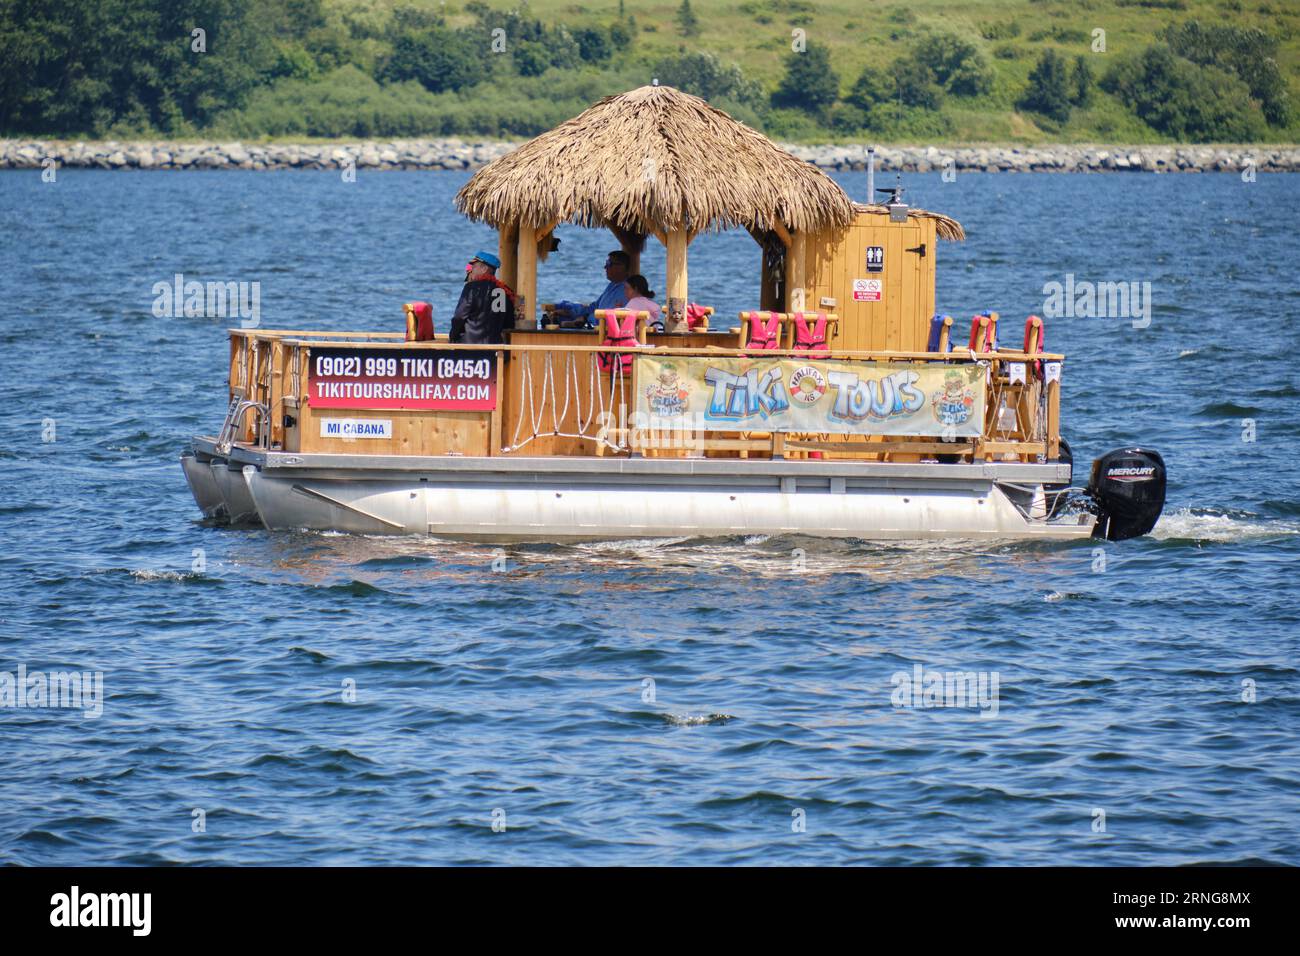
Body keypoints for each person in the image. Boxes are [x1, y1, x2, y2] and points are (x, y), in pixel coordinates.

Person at [449, 250, 517, 344]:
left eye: (474, 266)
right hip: (494, 346)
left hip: (470, 346)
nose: (472, 269)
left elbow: (459, 317)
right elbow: (509, 322)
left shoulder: (472, 288)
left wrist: (453, 336)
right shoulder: (504, 291)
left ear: (484, 269)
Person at [556, 250, 630, 328]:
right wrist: (570, 311)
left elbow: (609, 316)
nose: (605, 267)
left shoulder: (627, 290)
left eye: (608, 264)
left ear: (621, 267)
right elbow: (594, 307)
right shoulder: (612, 285)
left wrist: (586, 318)